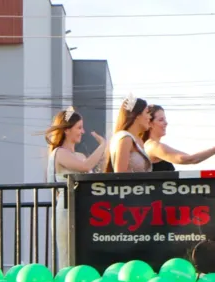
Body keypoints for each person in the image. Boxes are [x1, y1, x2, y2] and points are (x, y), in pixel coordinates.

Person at [44, 106, 108, 268]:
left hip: (84, 210)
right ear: (67, 130)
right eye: (79, 127)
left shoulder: (79, 155)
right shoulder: (59, 153)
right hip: (66, 210)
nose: (82, 131)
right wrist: (102, 145)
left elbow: (90, 172)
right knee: (67, 256)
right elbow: (85, 166)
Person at [141, 104, 215, 171]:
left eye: (165, 119)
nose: (166, 123)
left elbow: (190, 158)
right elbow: (190, 159)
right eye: (161, 120)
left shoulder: (149, 145)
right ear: (150, 123)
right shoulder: (153, 146)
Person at [104, 94, 152, 173]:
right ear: (137, 115)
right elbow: (120, 175)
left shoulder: (139, 140)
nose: (150, 117)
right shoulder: (125, 138)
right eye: (147, 112)